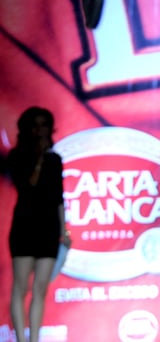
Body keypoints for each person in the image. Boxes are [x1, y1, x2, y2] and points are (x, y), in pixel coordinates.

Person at [6, 106, 68, 342]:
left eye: (44, 124)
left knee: (41, 288)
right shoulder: (17, 157)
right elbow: (27, 185)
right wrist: (40, 159)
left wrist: (64, 230)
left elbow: (58, 197)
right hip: (24, 226)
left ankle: (34, 339)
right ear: (28, 129)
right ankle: (21, 339)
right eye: (36, 125)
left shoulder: (56, 160)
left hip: (49, 228)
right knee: (21, 286)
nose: (41, 130)